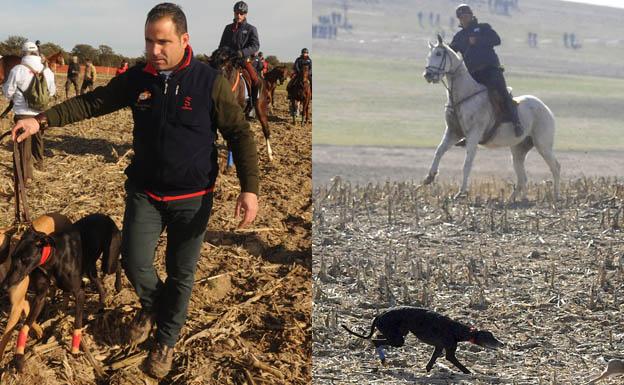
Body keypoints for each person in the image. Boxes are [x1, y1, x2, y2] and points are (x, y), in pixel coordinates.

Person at [11, 3, 259, 379]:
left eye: (163, 42)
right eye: (148, 41)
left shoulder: (209, 82)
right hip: (145, 192)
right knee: (133, 261)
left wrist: (249, 189)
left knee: (181, 273)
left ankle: (166, 340)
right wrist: (41, 120)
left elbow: (239, 133)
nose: (154, 50)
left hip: (192, 199)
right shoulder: (138, 79)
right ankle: (155, 306)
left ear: (184, 40)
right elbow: (93, 102)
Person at [450, 4, 522, 136]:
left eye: (466, 16)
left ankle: (516, 123)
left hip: (490, 70)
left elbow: (497, 40)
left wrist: (478, 40)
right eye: (461, 17)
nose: (464, 19)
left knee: (502, 93)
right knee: (463, 100)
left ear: (471, 16)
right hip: (473, 74)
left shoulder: (483, 28)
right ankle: (466, 131)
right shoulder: (459, 37)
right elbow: (451, 52)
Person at [3, 41, 56, 177]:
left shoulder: (17, 70)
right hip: (40, 113)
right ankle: (39, 163)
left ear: (23, 53)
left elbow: (8, 92)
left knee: (23, 142)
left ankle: (25, 174)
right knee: (38, 139)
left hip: (22, 113)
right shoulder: (47, 71)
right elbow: (51, 91)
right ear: (37, 53)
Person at [218, 1, 260, 112]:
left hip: (243, 60)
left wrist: (242, 52)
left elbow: (255, 46)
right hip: (228, 61)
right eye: (237, 13)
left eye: (241, 13)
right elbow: (221, 45)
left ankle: (252, 103)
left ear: (245, 14)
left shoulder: (251, 29)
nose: (239, 16)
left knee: (255, 79)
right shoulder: (228, 28)